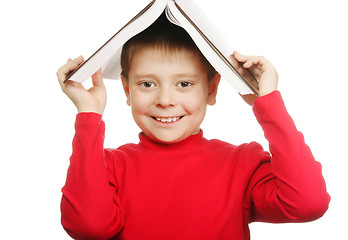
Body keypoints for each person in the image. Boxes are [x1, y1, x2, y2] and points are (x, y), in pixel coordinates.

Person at [57, 13, 330, 240]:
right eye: (147, 84)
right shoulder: (107, 167)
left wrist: (269, 103)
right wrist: (88, 116)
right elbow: (87, 226)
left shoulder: (242, 164)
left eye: (184, 84)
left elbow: (307, 203)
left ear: (211, 89)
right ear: (127, 90)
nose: (165, 100)